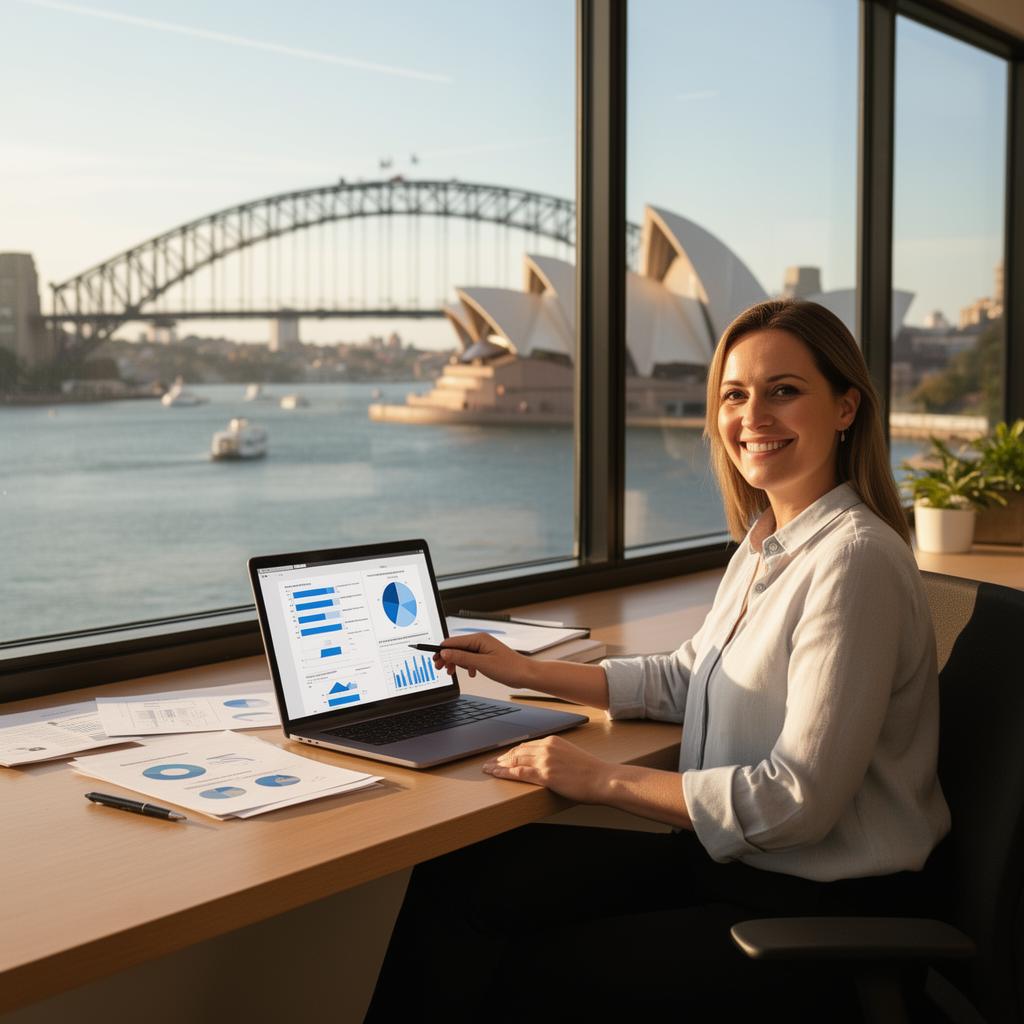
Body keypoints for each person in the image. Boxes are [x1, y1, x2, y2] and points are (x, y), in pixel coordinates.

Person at [363, 299, 950, 1023]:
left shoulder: (853, 560)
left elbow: (794, 801)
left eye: (784, 390)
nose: (753, 417)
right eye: (734, 395)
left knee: (533, 973)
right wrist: (527, 671)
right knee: (459, 880)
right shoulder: (769, 540)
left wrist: (600, 779)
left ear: (845, 407)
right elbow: (688, 676)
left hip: (820, 908)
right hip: (735, 868)